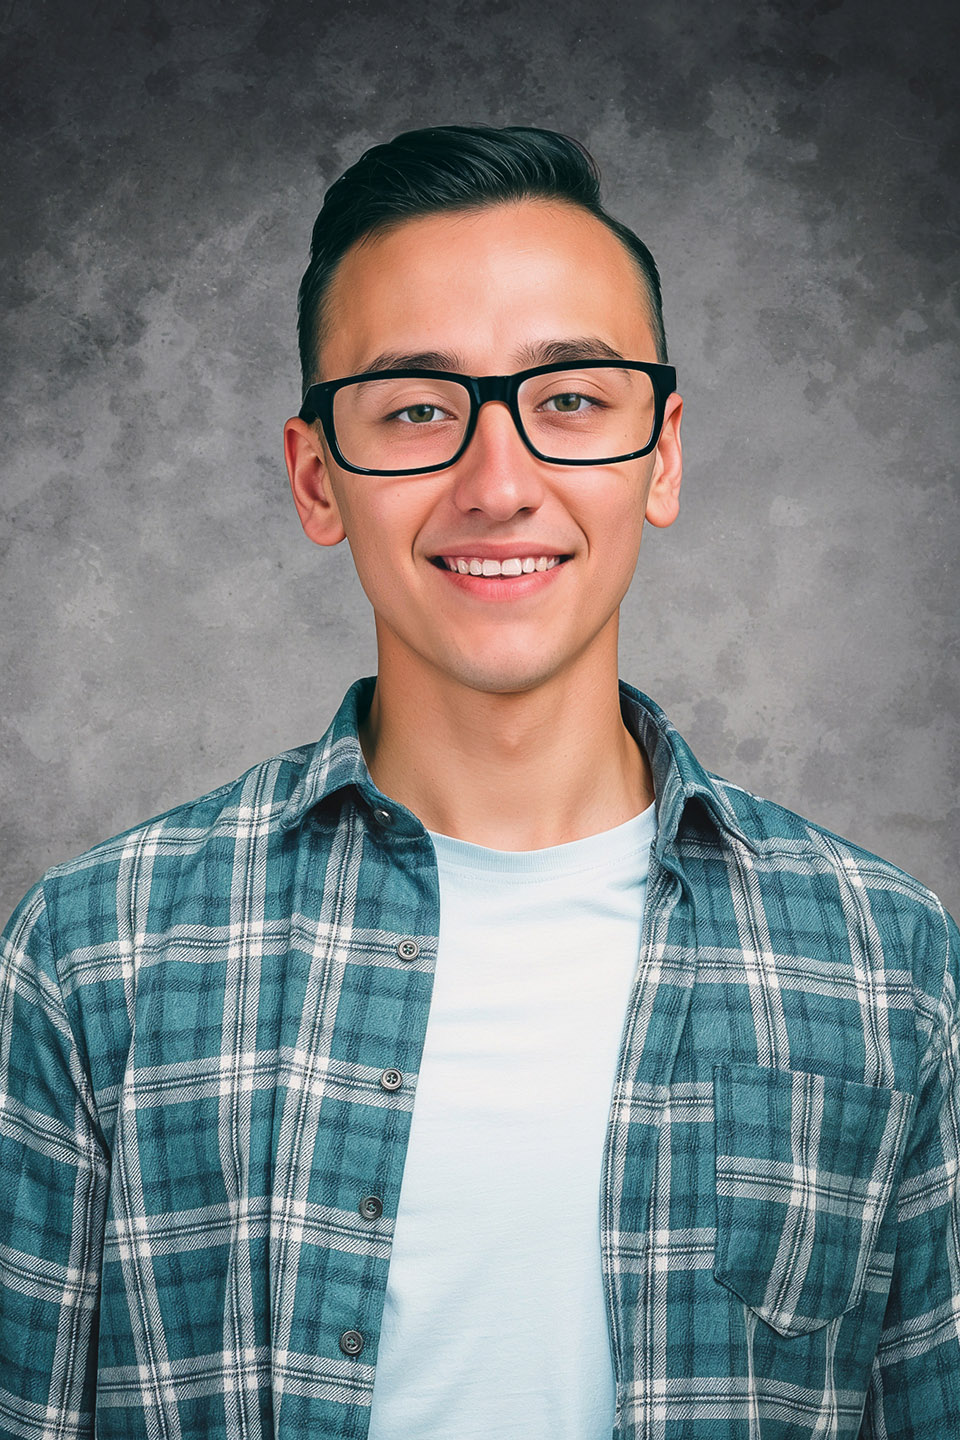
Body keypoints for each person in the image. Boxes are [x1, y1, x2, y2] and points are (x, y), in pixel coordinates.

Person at [0, 124, 956, 1440]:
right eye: (414, 411)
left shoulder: (891, 963)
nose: (498, 484)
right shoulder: (91, 955)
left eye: (569, 399)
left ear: (661, 454)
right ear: (315, 478)